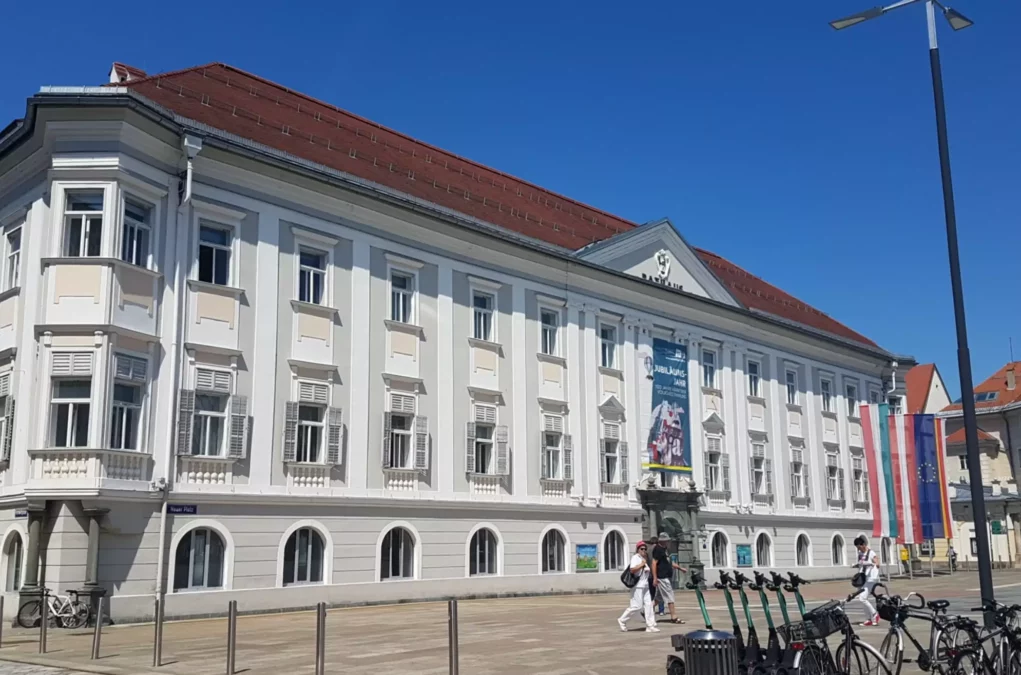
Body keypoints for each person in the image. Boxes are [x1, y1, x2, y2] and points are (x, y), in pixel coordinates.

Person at [618, 541, 659, 633]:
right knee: (636, 606)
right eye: (641, 549)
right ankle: (622, 620)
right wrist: (641, 564)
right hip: (637, 586)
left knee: (649, 605)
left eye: (645, 549)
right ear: (637, 549)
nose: (643, 550)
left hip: (645, 586)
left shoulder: (644, 559)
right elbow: (632, 570)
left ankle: (650, 625)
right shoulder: (635, 558)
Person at [651, 533, 688, 624]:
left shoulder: (665, 549)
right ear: (662, 541)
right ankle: (674, 617)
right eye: (667, 540)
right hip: (662, 577)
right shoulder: (658, 549)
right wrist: (655, 578)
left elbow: (669, 563)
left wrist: (680, 568)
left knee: (659, 598)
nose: (668, 542)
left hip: (665, 576)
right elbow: (654, 563)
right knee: (670, 595)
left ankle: (646, 610)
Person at [852, 536, 880, 626]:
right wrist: (856, 565)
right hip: (862, 578)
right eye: (857, 548)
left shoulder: (871, 553)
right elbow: (860, 564)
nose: (859, 549)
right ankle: (869, 619)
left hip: (871, 578)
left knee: (862, 598)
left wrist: (871, 563)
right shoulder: (860, 554)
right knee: (861, 598)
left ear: (863, 545)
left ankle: (875, 614)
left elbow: (877, 563)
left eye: (859, 547)